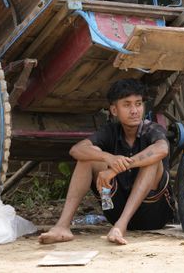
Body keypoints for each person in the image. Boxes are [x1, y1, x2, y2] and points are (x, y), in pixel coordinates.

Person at [39, 79, 173, 246]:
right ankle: (62, 227)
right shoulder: (110, 131)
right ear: (114, 110)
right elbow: (76, 150)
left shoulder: (152, 129)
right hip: (115, 211)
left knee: (152, 160)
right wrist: (108, 158)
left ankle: (121, 226)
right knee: (87, 158)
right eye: (127, 105)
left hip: (153, 214)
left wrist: (117, 169)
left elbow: (162, 149)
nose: (134, 111)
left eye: (138, 104)